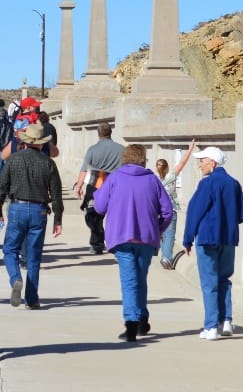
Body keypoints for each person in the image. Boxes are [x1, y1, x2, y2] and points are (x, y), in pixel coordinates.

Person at [93, 144, 173, 341]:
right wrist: (158, 229)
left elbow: (99, 206)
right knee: (140, 278)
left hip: (121, 237)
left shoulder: (115, 178)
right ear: (143, 159)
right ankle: (142, 319)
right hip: (146, 238)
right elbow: (168, 211)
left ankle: (131, 324)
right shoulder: (153, 180)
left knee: (130, 281)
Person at [183, 146, 243, 342]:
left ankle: (211, 326)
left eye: (202, 160)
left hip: (207, 238)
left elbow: (194, 212)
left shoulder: (207, 184)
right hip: (228, 239)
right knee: (224, 280)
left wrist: (188, 238)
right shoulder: (233, 183)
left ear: (212, 162)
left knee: (209, 283)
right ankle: (226, 320)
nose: (199, 165)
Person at [0, 122, 63, 310]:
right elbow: (56, 194)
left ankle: (16, 278)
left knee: (10, 250)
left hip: (17, 208)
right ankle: (31, 299)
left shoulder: (14, 160)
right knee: (33, 256)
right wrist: (58, 219)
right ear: (41, 143)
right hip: (39, 211)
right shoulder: (48, 163)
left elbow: (0, 188)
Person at [72, 123, 123, 254]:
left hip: (96, 186)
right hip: (115, 186)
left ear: (98, 134)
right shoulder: (122, 149)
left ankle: (97, 243)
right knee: (115, 216)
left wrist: (79, 186)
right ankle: (114, 242)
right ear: (110, 133)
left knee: (93, 216)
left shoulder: (92, 150)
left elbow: (84, 170)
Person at [156, 139, 196, 269]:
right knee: (170, 234)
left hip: (159, 211)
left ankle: (164, 255)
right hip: (171, 210)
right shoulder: (171, 176)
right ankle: (167, 257)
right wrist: (190, 149)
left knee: (162, 234)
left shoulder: (156, 182)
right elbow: (183, 161)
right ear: (167, 168)